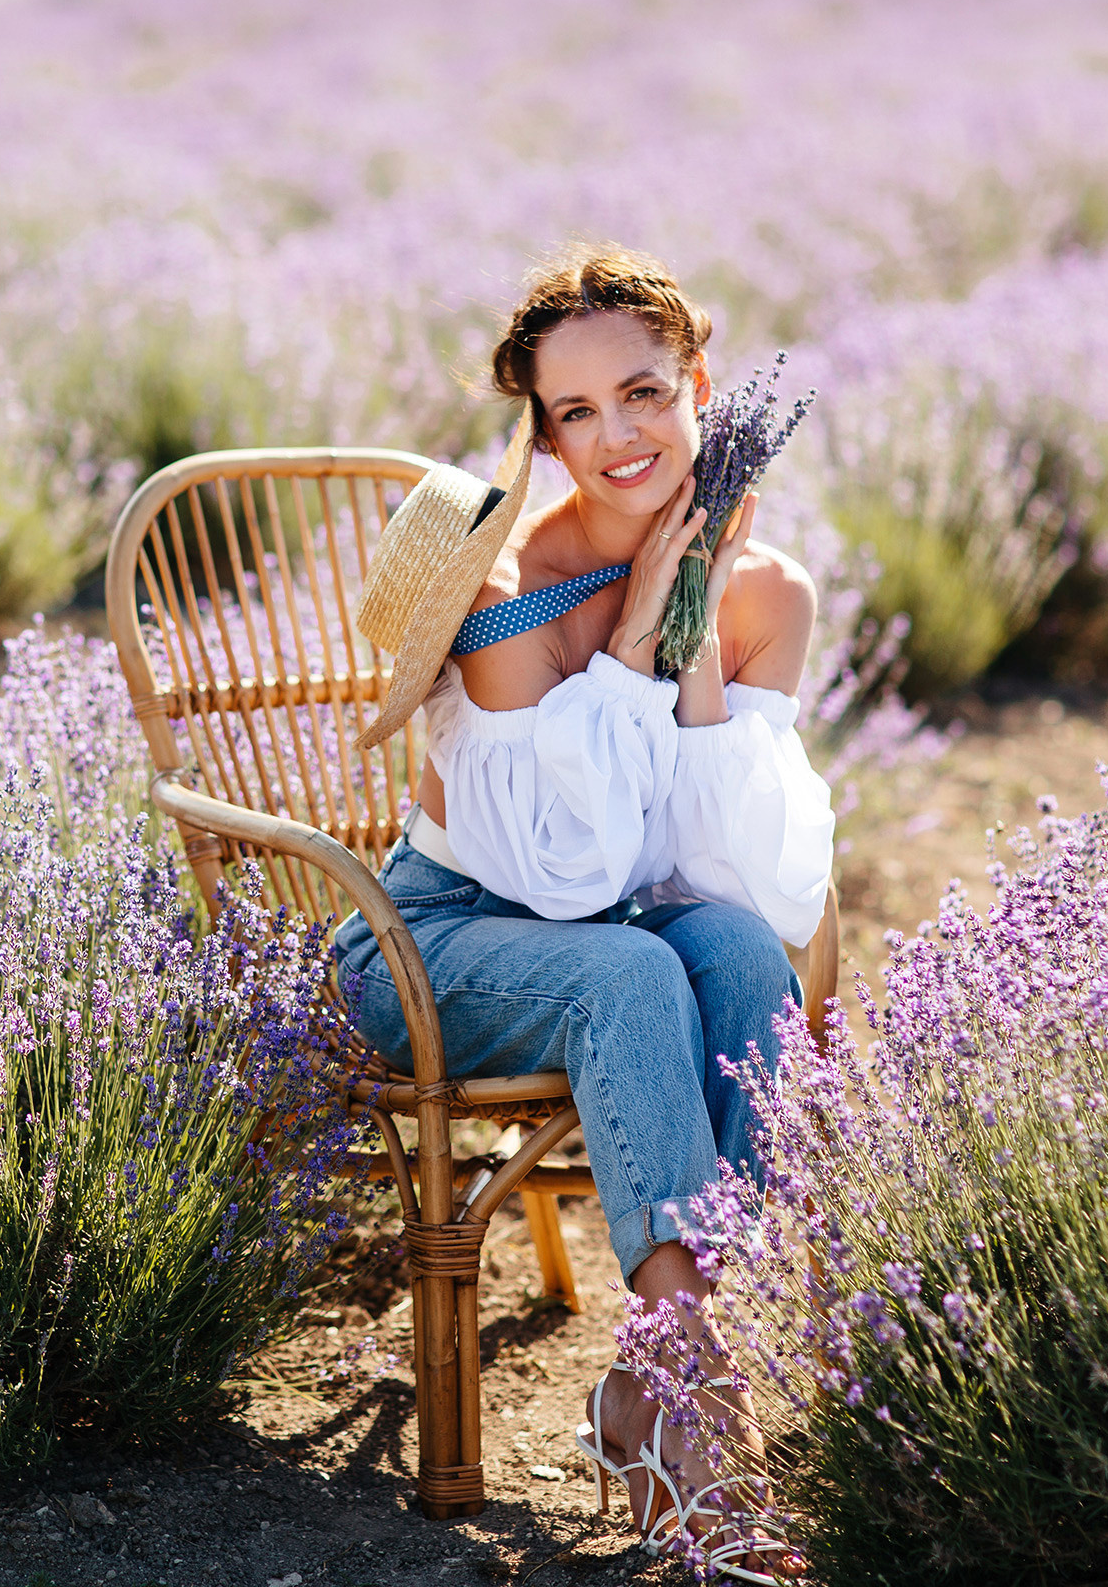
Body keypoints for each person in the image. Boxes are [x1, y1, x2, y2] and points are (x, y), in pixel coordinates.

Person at [333, 245, 832, 1574]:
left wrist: (700, 657)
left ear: (700, 388)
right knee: (629, 975)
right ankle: (692, 1414)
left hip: (620, 932)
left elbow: (756, 890)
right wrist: (624, 653)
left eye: (645, 393)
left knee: (724, 948)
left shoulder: (769, 590)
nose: (620, 436)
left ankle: (651, 1381)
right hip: (433, 945)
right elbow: (565, 883)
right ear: (542, 435)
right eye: (576, 413)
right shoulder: (502, 600)